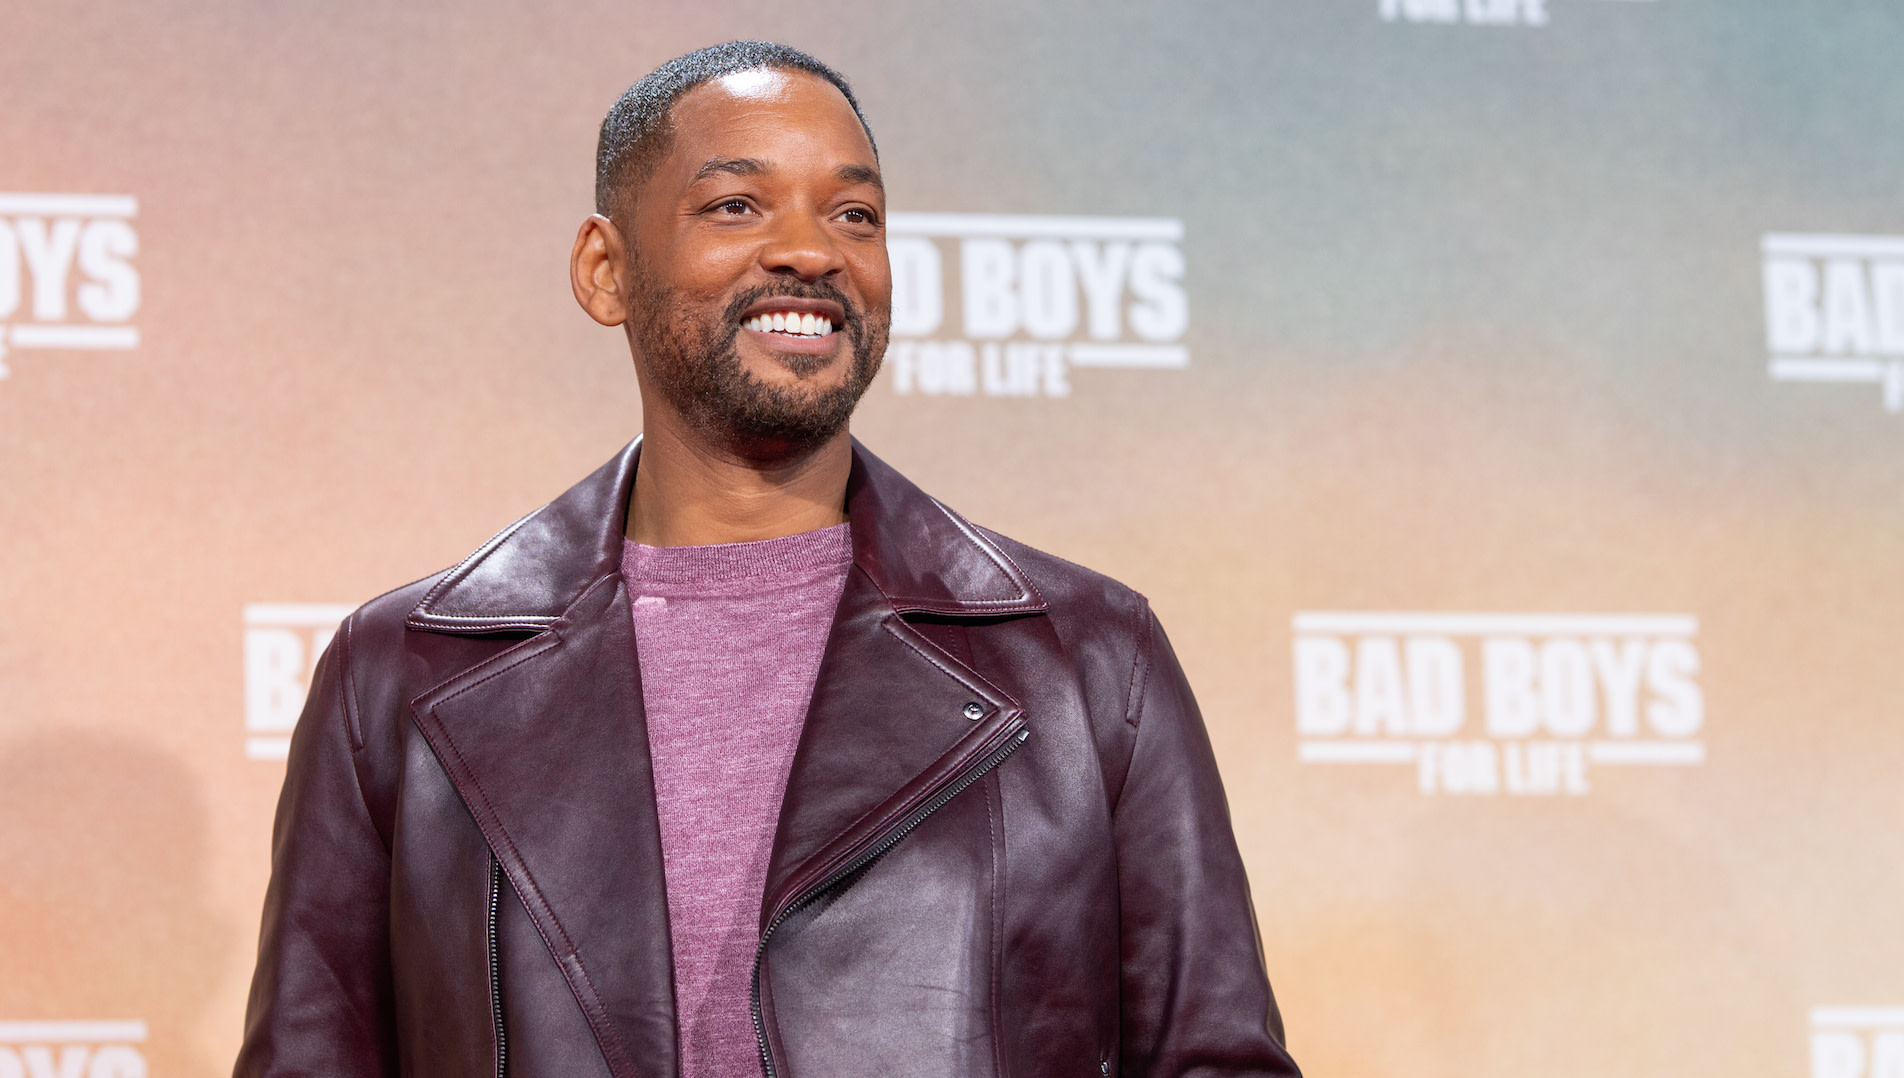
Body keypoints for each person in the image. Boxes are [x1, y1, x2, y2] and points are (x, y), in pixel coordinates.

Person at [234, 40, 1300, 1078]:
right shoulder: (398, 675)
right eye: (737, 205)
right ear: (606, 270)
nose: (811, 250)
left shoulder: (1090, 661)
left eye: (854, 215)